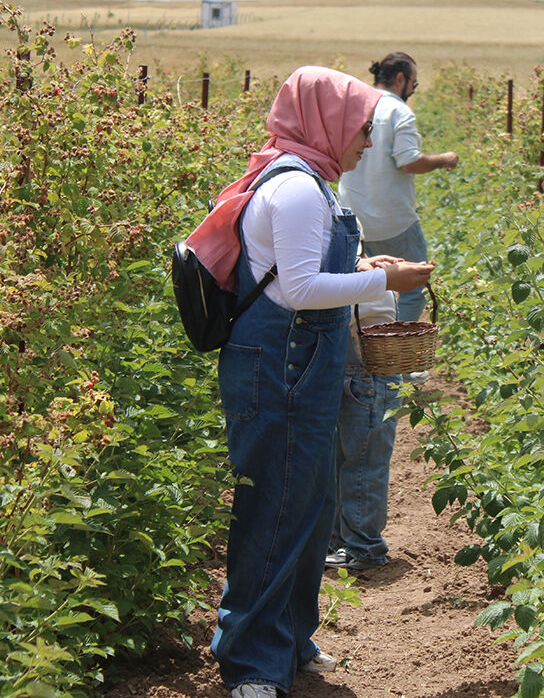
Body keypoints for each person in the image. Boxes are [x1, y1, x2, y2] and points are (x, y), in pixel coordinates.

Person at [186, 66, 434, 698]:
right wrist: (386, 282)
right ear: (326, 121)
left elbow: (298, 267)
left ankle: (289, 639)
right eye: (361, 129)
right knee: (275, 510)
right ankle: (252, 664)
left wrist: (361, 264)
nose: (368, 144)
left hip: (301, 366)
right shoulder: (297, 188)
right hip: (280, 367)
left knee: (308, 504)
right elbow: (298, 290)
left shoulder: (312, 183)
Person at [337, 52, 458, 330]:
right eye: (413, 84)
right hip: (394, 221)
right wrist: (444, 159)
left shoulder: (356, 104)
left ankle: (367, 352)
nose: (412, 91)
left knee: (363, 289)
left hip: (353, 216)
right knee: (413, 290)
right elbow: (409, 160)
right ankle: (394, 356)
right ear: (400, 79)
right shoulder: (398, 111)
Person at [326, 287, 401, 572]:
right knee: (344, 460)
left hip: (367, 362)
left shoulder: (353, 257)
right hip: (356, 358)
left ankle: (363, 546)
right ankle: (339, 543)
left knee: (362, 463)